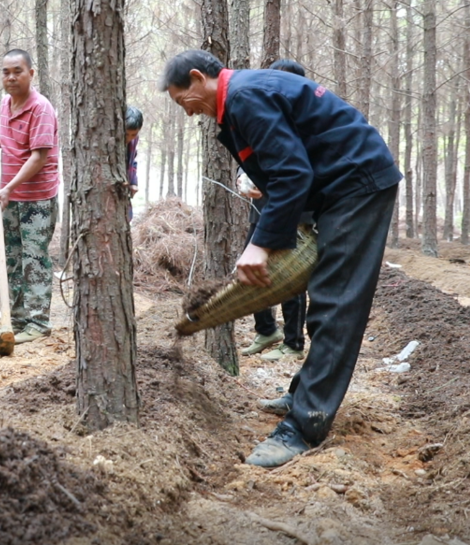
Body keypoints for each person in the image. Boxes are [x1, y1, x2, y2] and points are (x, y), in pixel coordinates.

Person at [160, 49, 401, 468]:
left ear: (199, 79)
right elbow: (284, 169)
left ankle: (304, 425)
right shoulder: (241, 101)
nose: (186, 113)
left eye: (184, 101)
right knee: (326, 299)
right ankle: (304, 390)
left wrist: (259, 245)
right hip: (335, 188)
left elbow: (292, 173)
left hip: (357, 185)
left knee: (336, 302)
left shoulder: (245, 96)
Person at [0, 49, 60, 345]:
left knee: (34, 259)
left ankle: (38, 322)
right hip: (10, 197)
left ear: (31, 73)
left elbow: (38, 157)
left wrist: (9, 187)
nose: (11, 77)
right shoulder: (5, 103)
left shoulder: (41, 108)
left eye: (18, 71)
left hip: (37, 200)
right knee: (11, 258)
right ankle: (14, 321)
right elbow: (13, 138)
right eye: (5, 72)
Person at [240, 58, 310, 362]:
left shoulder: (307, 119)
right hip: (262, 207)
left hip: (294, 209)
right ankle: (266, 329)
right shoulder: (262, 114)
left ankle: (294, 343)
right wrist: (244, 178)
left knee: (290, 276)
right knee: (249, 267)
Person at [125, 106, 144, 221]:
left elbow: (132, 162)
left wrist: (133, 182)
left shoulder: (133, 141)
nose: (129, 138)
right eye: (127, 134)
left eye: (133, 135)